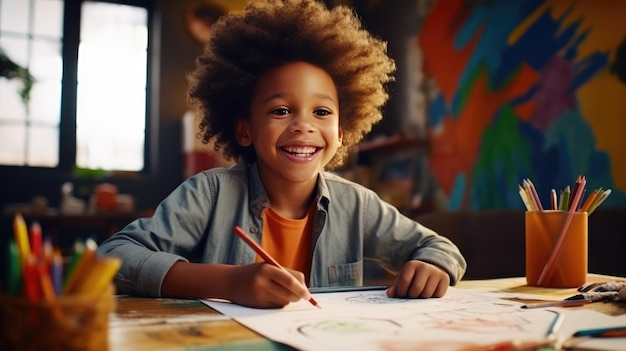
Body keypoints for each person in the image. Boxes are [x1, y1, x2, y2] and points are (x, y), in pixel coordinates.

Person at [97, 0, 466, 309]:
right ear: (245, 129)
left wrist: (432, 264)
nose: (303, 126)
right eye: (280, 111)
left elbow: (437, 246)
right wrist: (230, 282)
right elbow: (112, 258)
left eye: (321, 112)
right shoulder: (208, 195)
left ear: (341, 132)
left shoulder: (358, 205)